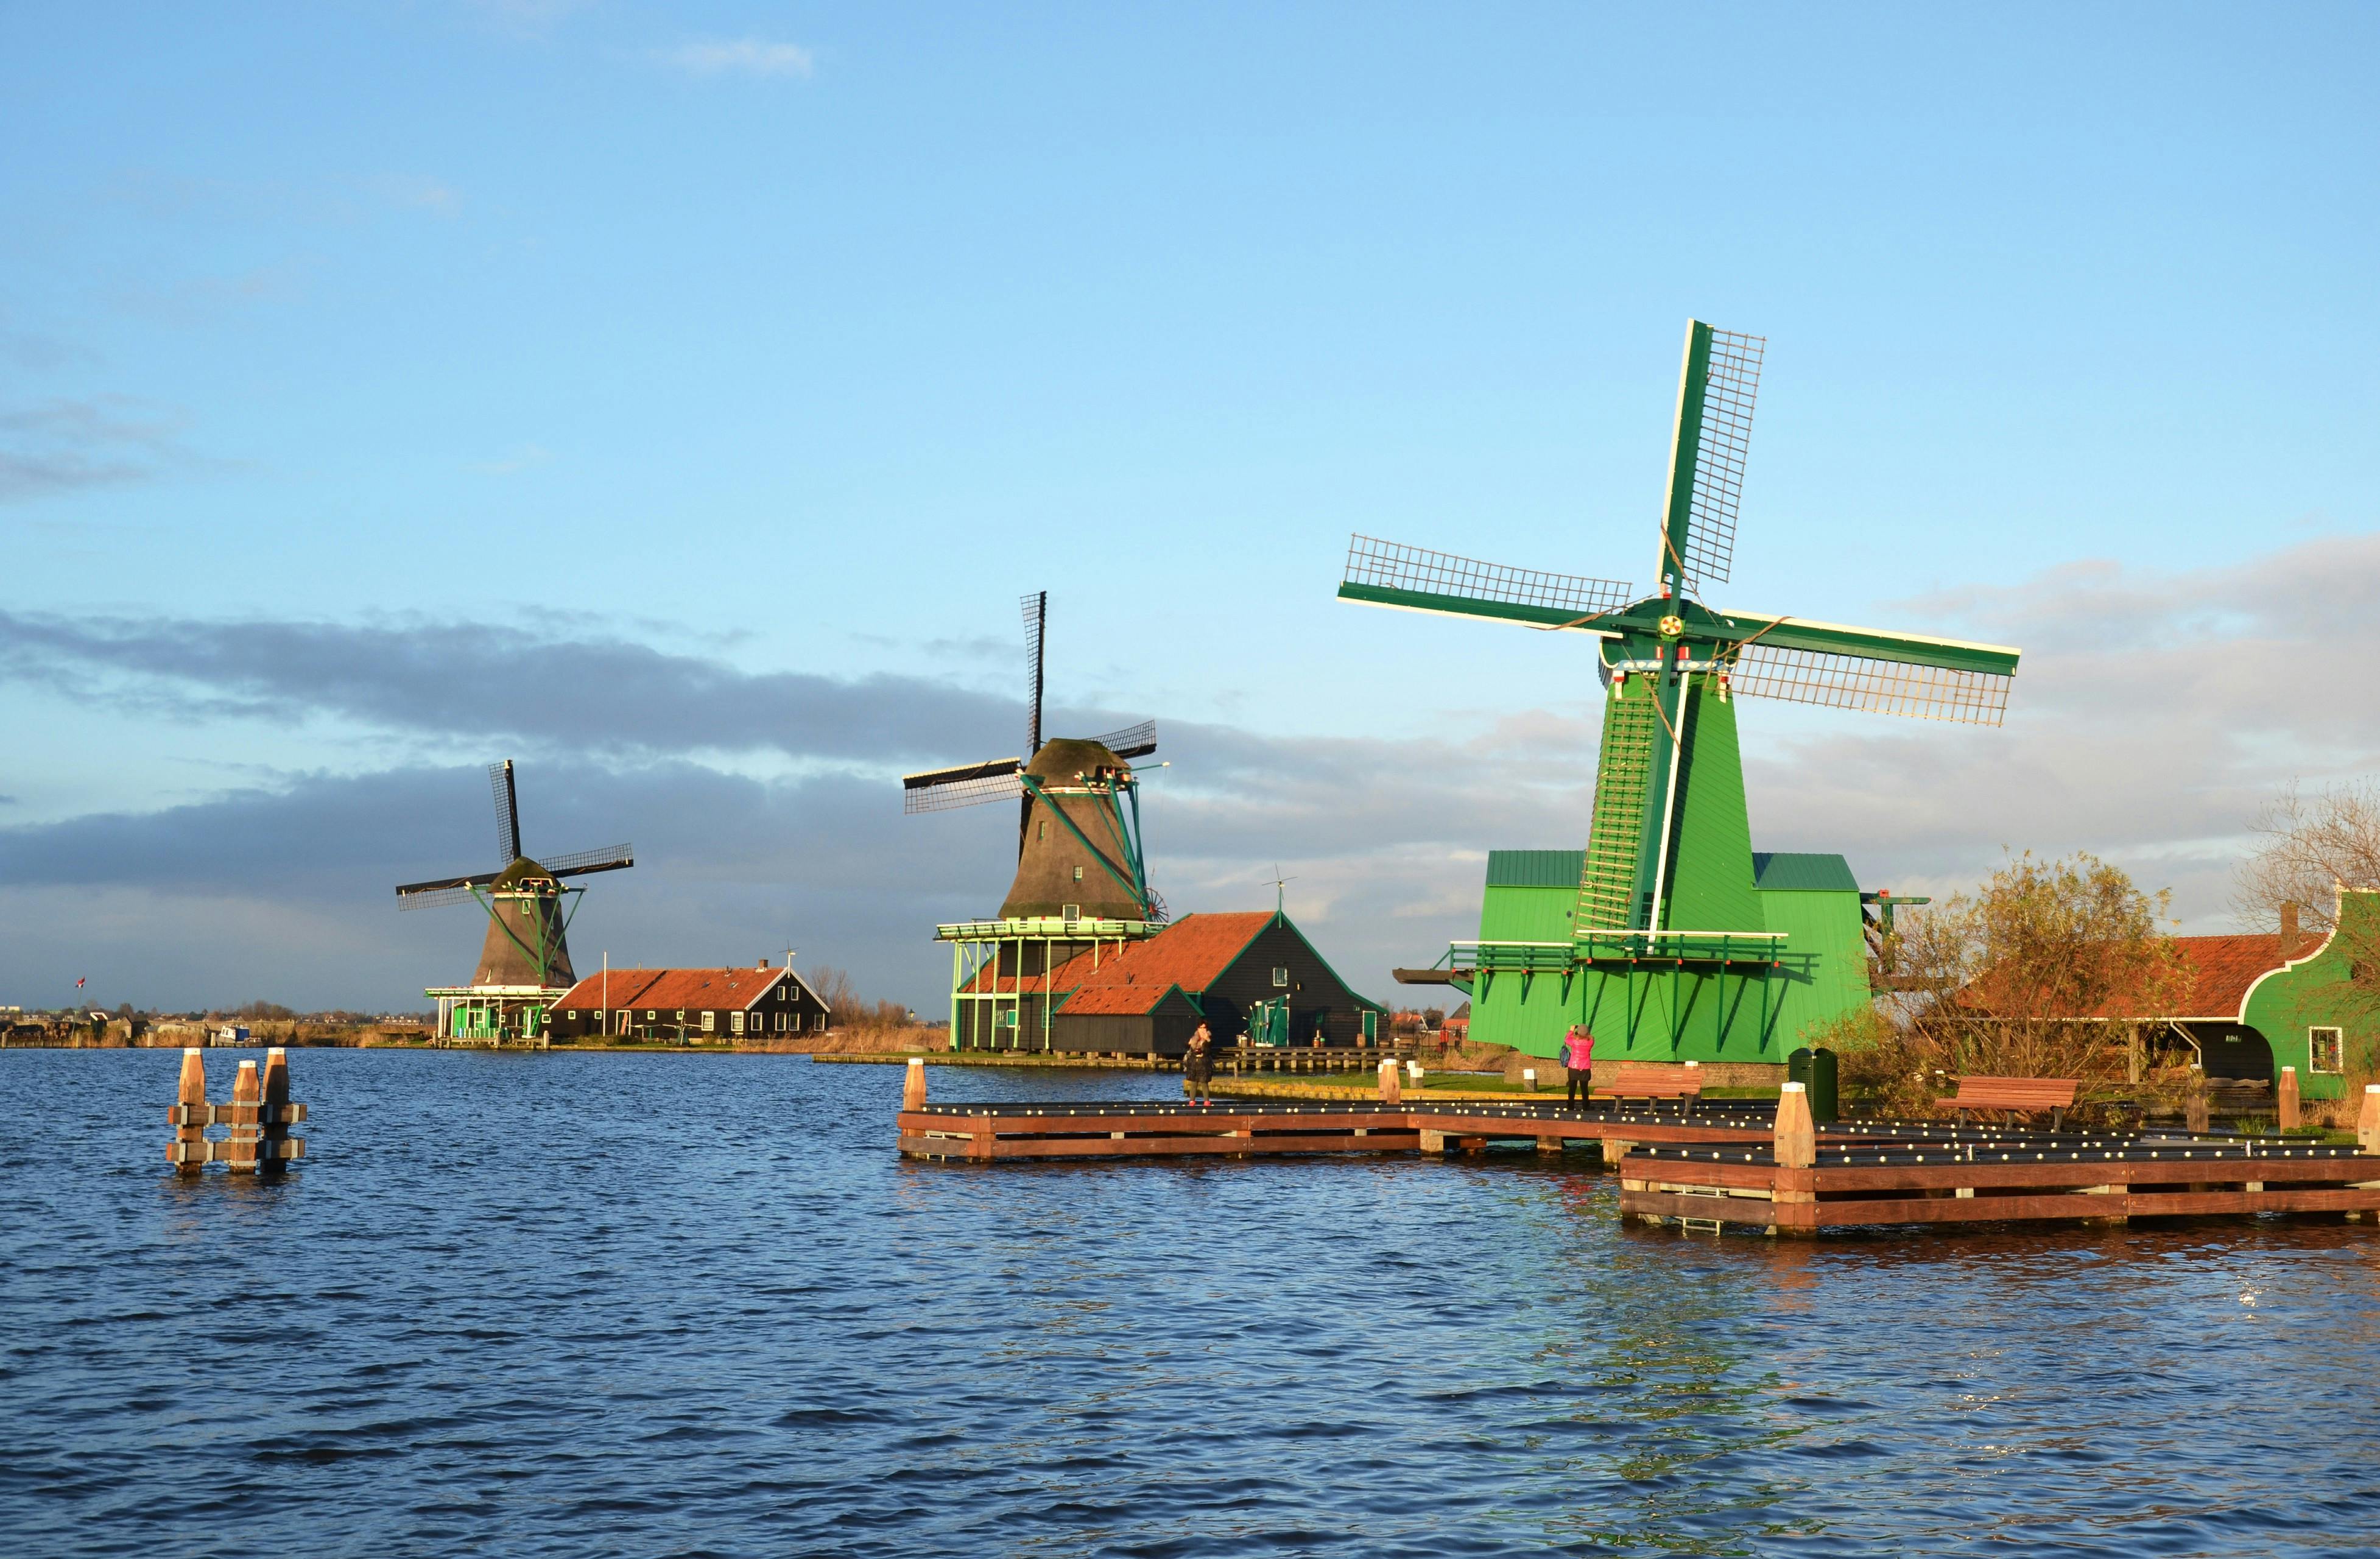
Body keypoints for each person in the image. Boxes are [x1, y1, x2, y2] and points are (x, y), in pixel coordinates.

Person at [1564, 1024, 1595, 1108]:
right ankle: (1585, 1105)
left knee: (1572, 1088)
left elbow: (1566, 1040)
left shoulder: (1574, 1041)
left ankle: (1571, 1105)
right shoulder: (1591, 1041)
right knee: (1584, 1089)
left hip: (1574, 1066)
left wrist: (1571, 1030)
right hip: (1585, 1067)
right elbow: (1590, 1038)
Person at [1184, 1021, 1214, 1106]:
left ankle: (1207, 1101)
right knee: (1194, 1083)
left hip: (1204, 1063)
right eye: (1201, 1028)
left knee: (1204, 1082)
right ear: (1198, 1029)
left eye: (1204, 1028)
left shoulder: (1209, 1037)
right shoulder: (1194, 1037)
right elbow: (1186, 1046)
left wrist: (1208, 1040)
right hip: (1194, 1063)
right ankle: (1192, 1101)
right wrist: (1188, 1043)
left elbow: (1210, 1048)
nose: (1202, 1030)